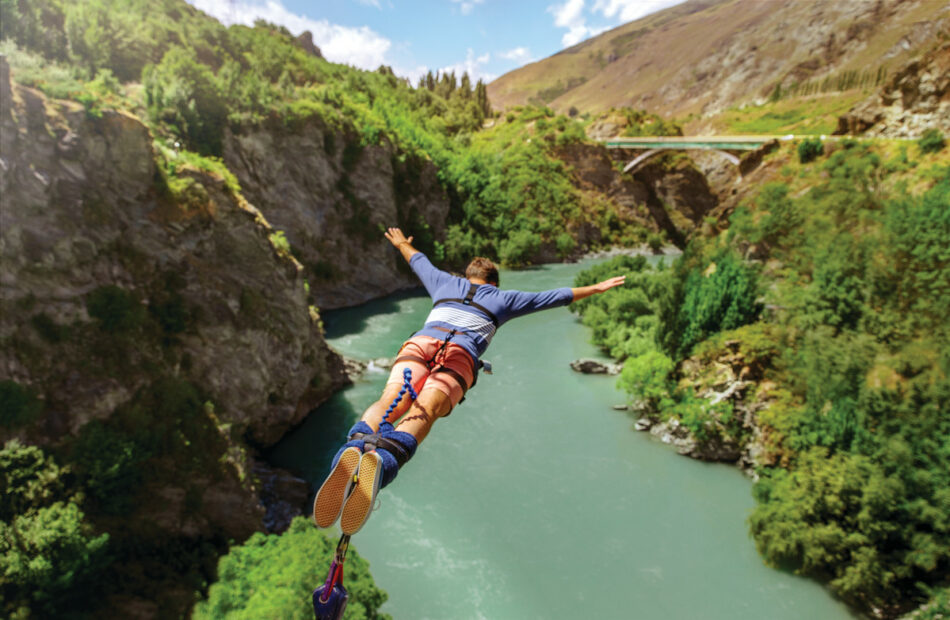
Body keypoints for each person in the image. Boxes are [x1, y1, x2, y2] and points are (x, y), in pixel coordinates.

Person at [313, 227, 626, 534]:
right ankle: (384, 460)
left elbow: (418, 260)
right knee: (426, 408)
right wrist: (597, 288)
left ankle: (353, 447)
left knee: (391, 399)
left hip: (421, 343)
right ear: (494, 282)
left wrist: (400, 244)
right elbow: (555, 296)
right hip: (459, 353)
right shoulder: (505, 299)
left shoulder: (444, 281)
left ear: (467, 276)